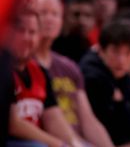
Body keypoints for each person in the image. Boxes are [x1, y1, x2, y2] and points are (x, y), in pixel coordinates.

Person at [33, 0, 114, 147]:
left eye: (55, 14)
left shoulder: (69, 67)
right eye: (43, 13)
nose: (49, 19)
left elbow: (88, 120)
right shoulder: (22, 65)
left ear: (61, 21)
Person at [7, 8, 85, 147]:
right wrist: (58, 144)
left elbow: (54, 119)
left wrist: (75, 144)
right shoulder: (4, 71)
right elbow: (13, 124)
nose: (26, 38)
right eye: (20, 31)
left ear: (39, 36)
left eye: (32, 32)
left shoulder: (40, 71)